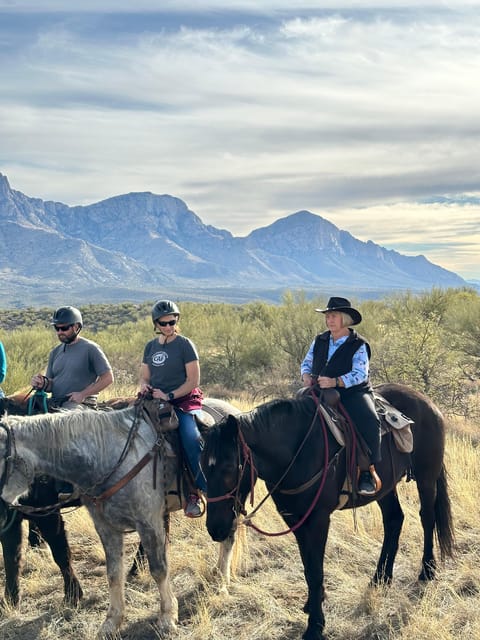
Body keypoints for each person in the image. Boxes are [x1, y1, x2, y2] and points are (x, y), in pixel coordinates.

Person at [300, 296, 381, 496]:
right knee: (295, 410)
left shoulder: (358, 344)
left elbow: (360, 374)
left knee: (370, 420)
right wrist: (306, 375)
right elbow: (307, 362)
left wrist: (336, 382)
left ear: (345, 319)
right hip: (319, 390)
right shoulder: (320, 339)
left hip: (352, 393)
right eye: (327, 316)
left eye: (333, 316)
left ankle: (367, 471)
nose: (329, 320)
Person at [139, 299, 206, 517]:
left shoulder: (185, 344)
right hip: (155, 402)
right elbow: (144, 377)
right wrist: (145, 387)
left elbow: (193, 380)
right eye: (164, 323)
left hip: (182, 402)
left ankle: (198, 490)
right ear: (156, 324)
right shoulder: (150, 346)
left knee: (191, 438)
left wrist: (169, 395)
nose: (168, 326)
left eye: (172, 322)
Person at [31, 306, 114, 410]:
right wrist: (42, 383)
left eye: (64, 328)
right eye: (57, 328)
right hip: (56, 403)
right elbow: (51, 385)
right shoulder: (55, 352)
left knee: (64, 419)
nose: (60, 332)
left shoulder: (90, 348)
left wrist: (82, 394)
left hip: (80, 405)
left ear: (76, 327)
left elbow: (108, 378)